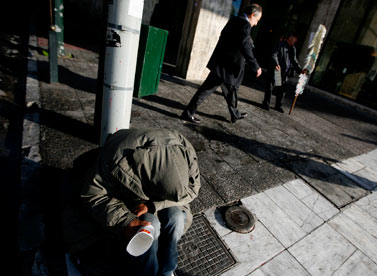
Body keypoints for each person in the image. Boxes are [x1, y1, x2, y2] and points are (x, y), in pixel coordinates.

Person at [62, 128, 200, 276]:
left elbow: (193, 189)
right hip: (120, 198)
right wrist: (126, 221)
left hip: (154, 197)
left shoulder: (185, 149)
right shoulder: (116, 159)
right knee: (149, 223)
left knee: (176, 216)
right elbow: (92, 194)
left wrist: (154, 205)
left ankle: (167, 271)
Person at [181, 4, 263, 124]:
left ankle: (234, 114)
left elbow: (227, 38)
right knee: (206, 90)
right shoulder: (244, 24)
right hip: (226, 67)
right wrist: (255, 66)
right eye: (257, 20)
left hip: (223, 65)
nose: (256, 23)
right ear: (252, 15)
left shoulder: (234, 20)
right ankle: (188, 113)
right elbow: (244, 45)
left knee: (231, 90)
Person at [262, 33, 305, 113]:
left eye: (296, 39)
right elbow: (274, 55)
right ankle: (266, 103)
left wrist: (300, 70)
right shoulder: (280, 45)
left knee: (282, 90)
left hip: (285, 73)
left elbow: (294, 61)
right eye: (294, 38)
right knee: (271, 87)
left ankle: (278, 106)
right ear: (290, 38)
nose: (295, 40)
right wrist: (276, 64)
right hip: (278, 71)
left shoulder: (293, 49)